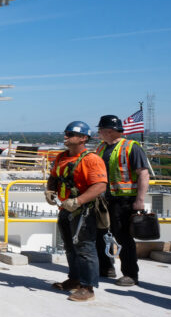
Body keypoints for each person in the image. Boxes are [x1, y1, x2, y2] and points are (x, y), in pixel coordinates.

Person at [44, 121, 108, 302]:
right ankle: (74, 280)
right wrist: (50, 191)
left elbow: (100, 185)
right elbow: (54, 177)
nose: (66, 136)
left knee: (85, 248)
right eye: (66, 133)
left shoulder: (91, 160)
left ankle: (88, 288)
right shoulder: (61, 157)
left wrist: (78, 201)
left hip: (83, 211)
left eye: (71, 134)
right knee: (70, 247)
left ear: (83, 138)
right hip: (65, 208)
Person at [95, 115, 151, 285]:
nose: (98, 133)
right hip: (104, 200)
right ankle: (106, 267)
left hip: (124, 200)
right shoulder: (101, 148)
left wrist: (140, 200)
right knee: (100, 235)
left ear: (110, 131)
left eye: (100, 130)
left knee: (123, 237)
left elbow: (143, 173)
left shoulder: (131, 148)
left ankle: (130, 274)